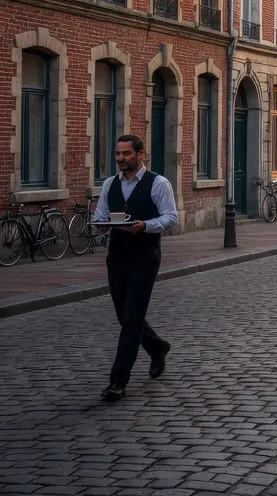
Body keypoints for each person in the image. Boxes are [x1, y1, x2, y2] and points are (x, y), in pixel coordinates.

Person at [96, 134, 178, 401]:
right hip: (117, 256)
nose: (120, 159)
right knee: (124, 315)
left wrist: (145, 226)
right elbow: (100, 215)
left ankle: (117, 381)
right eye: (117, 154)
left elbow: (171, 217)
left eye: (126, 154)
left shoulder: (158, 183)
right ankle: (157, 347)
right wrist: (100, 224)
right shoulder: (110, 184)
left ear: (140, 154)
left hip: (145, 257)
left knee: (131, 319)